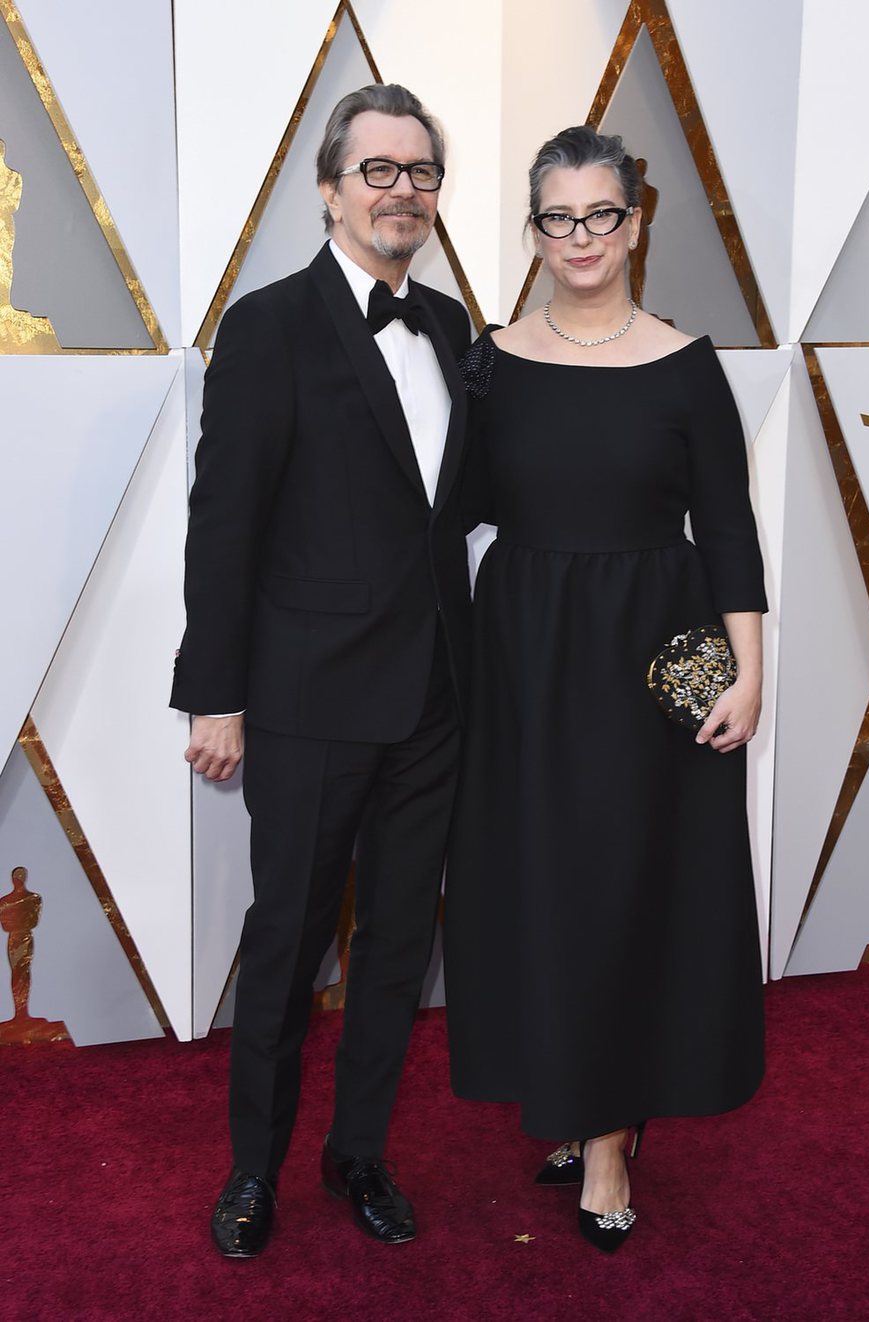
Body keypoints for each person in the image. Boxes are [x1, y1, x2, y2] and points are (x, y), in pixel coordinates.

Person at [444, 125, 766, 1254]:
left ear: (637, 222)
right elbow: (452, 512)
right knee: (546, 882)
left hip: (658, 652)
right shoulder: (490, 358)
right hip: (526, 649)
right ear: (534, 232)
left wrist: (747, 673)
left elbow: (726, 529)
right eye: (557, 217)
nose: (580, 237)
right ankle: (575, 1102)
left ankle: (615, 1136)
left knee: (636, 882)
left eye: (602, 214)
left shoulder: (687, 363)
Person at [171, 83, 472, 1257]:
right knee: (289, 943)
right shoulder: (268, 325)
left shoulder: (453, 327)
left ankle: (360, 1154)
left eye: (421, 172)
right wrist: (217, 690)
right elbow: (224, 521)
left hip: (437, 699)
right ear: (331, 188)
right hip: (305, 702)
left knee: (400, 945)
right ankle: (254, 1170)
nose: (403, 190)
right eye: (379, 170)